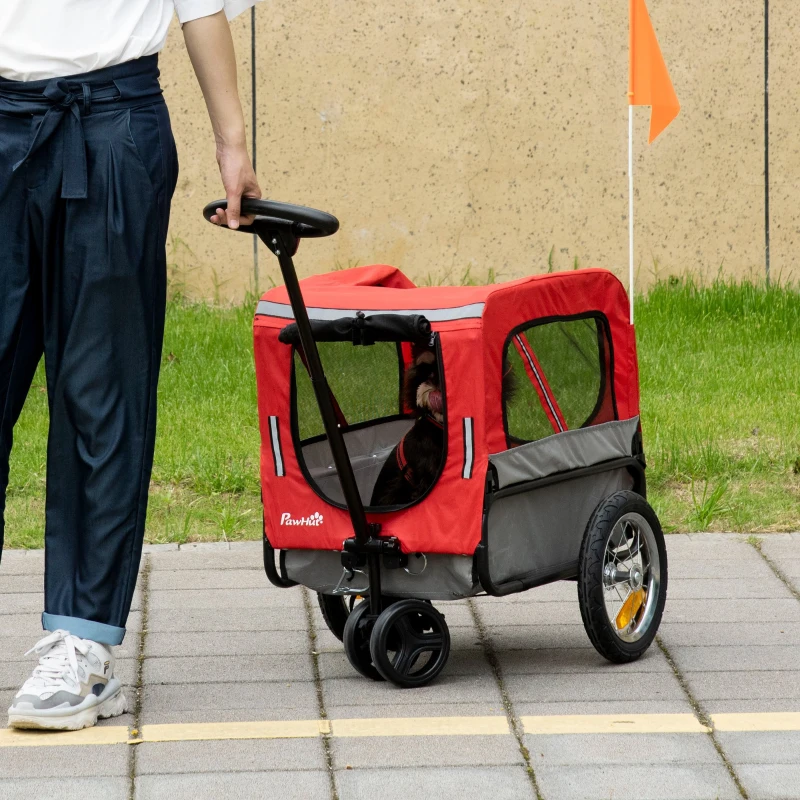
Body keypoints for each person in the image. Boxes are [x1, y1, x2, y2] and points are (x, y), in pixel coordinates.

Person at [0, 1, 262, 730]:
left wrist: (231, 140)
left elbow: (202, 6)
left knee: (99, 390)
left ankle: (83, 644)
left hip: (114, 126)